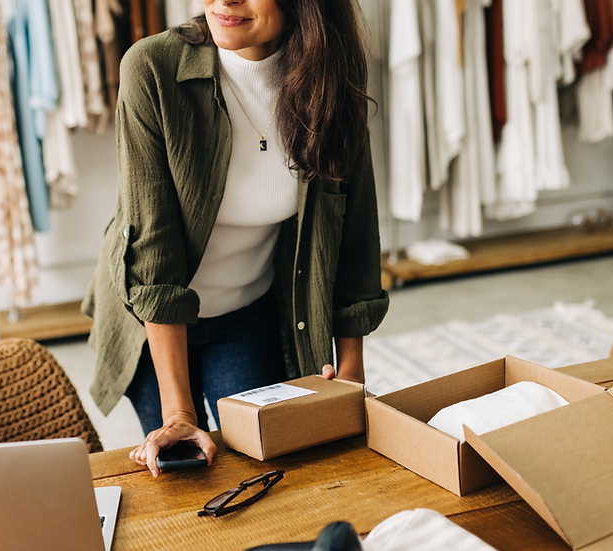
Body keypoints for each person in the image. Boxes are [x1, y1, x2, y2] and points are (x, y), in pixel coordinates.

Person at [81, 0, 389, 477]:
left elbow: (355, 234)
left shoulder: (331, 75)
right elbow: (153, 254)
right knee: (187, 471)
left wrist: (350, 371)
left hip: (248, 312)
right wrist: (180, 417)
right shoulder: (152, 68)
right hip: (150, 323)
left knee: (265, 467)